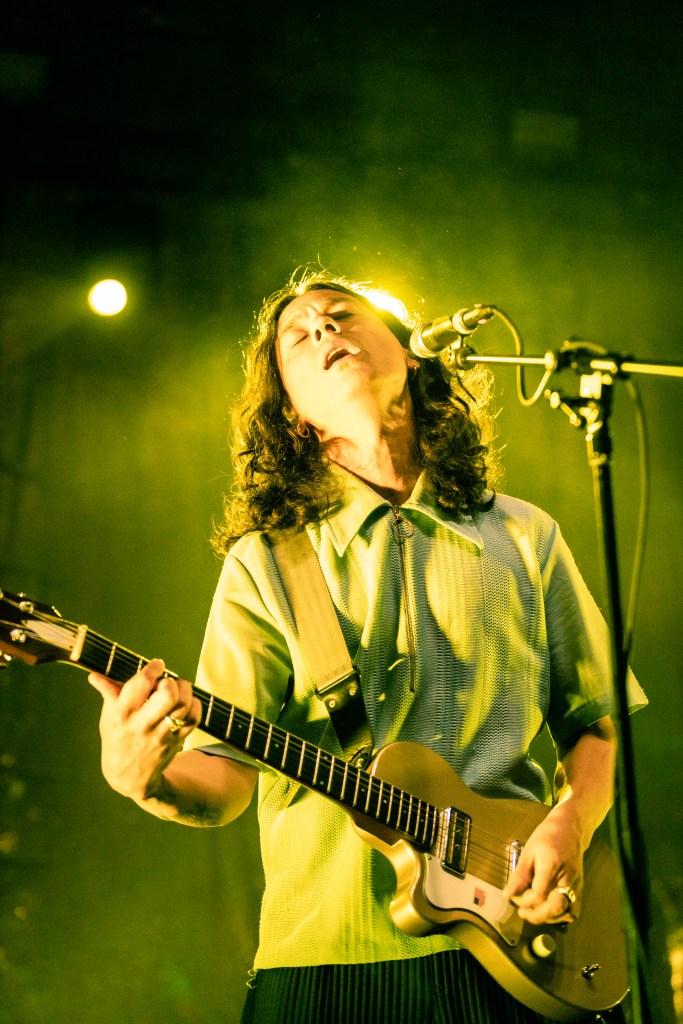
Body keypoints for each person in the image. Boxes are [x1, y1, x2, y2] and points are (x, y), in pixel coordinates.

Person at [88, 267, 646, 1023]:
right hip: (327, 964)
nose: (321, 327)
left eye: (342, 313)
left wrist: (569, 826)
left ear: (410, 354)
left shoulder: (524, 533)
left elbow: (596, 726)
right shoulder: (267, 562)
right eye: (297, 335)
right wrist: (143, 779)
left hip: (520, 946)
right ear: (293, 414)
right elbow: (223, 777)